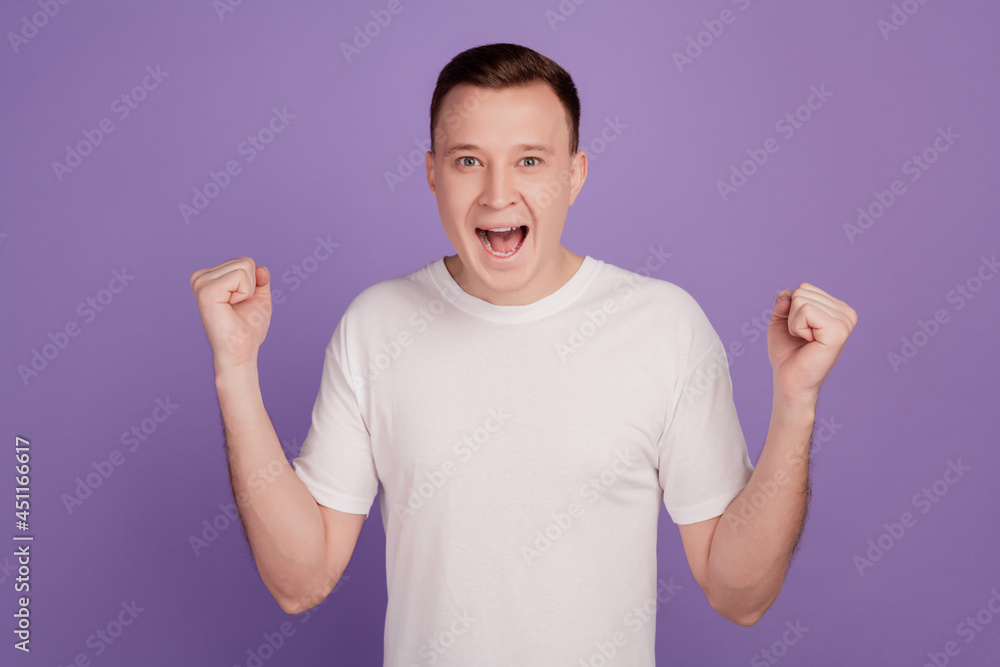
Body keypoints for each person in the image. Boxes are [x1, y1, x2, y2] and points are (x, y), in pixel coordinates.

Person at [189, 43, 857, 665]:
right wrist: (235, 370)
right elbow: (300, 581)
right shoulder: (377, 324)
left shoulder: (664, 326)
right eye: (468, 160)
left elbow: (739, 593)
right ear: (431, 174)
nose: (498, 193)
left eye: (530, 160)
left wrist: (796, 402)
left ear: (575, 174)